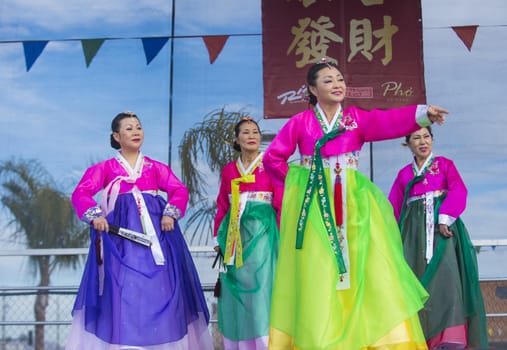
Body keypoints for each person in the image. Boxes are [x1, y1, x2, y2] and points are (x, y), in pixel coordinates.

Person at [263, 58, 449, 350]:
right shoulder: (299, 123)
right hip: (316, 207)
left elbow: (386, 121)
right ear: (312, 89)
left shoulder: (355, 119)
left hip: (354, 203)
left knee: (367, 268)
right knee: (319, 270)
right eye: (328, 80)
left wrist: (423, 114)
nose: (337, 84)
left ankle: (375, 339)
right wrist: (303, 184)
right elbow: (273, 158)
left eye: (339, 79)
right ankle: (321, 338)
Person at [66, 111, 213, 349]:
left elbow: (179, 191)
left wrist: (170, 212)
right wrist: (96, 215)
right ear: (116, 136)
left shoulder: (155, 167)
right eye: (129, 128)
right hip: (120, 243)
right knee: (124, 291)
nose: (136, 132)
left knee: (162, 289)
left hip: (158, 238)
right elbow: (81, 193)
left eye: (138, 127)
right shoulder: (105, 168)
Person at [388, 126, 489, 349]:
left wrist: (444, 218)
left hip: (442, 233)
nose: (423, 141)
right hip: (412, 237)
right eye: (416, 138)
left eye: (427, 136)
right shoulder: (404, 175)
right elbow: (394, 206)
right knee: (413, 283)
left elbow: (458, 190)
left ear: (432, 139)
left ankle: (448, 340)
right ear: (408, 143)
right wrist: (391, 237)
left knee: (447, 283)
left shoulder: (444, 165)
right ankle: (419, 338)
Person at [213, 117, 280, 350]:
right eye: (246, 132)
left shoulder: (271, 163)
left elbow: (280, 201)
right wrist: (219, 239)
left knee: (263, 288)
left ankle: (266, 344)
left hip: (264, 231)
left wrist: (283, 231)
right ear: (236, 139)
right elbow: (223, 204)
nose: (252, 136)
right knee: (236, 288)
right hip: (235, 234)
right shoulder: (229, 170)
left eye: (255, 132)